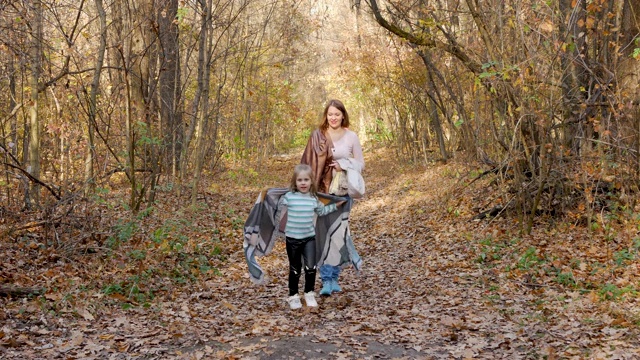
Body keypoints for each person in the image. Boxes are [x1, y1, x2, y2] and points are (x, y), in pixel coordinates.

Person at [301, 99, 364, 296]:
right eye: (330, 114)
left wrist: (343, 165)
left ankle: (334, 278)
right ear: (326, 116)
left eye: (337, 114)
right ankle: (326, 279)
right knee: (322, 234)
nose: (333, 118)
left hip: (342, 193)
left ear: (343, 115)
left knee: (338, 234)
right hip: (321, 191)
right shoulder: (318, 136)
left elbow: (361, 164)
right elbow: (307, 163)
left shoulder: (351, 136)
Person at [280, 164, 345, 309]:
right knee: (295, 268)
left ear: (311, 182)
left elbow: (322, 212)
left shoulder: (313, 198)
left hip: (309, 238)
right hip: (292, 239)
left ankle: (309, 293)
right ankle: (293, 296)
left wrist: (336, 206)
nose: (303, 183)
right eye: (300, 180)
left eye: (306, 180)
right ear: (295, 182)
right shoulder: (289, 197)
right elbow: (275, 206)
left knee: (311, 267)